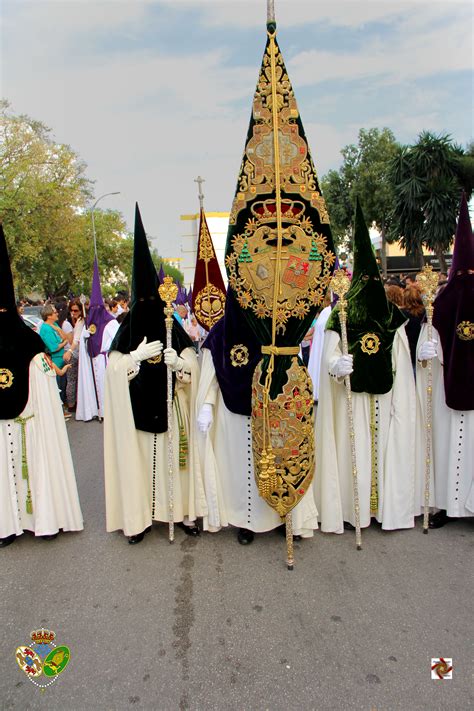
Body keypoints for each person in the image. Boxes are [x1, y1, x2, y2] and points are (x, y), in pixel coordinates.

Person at [104, 205, 207, 544]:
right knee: (142, 465)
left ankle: (181, 514)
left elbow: (193, 363)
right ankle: (142, 518)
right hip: (137, 412)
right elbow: (113, 369)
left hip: (171, 410)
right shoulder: (128, 326)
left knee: (175, 466)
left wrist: (179, 365)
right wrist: (133, 357)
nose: (148, 302)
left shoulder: (171, 323)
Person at [315, 201, 416, 533]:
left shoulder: (392, 317)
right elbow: (328, 358)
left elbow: (400, 362)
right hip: (352, 402)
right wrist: (336, 366)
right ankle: (353, 512)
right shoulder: (340, 316)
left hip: (384, 402)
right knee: (351, 452)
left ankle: (384, 509)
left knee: (384, 451)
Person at [196, 289, 319, 544]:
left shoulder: (270, 328)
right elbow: (211, 374)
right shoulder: (219, 334)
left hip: (271, 414)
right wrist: (207, 404)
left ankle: (282, 516)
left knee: (278, 466)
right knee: (242, 471)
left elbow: (290, 363)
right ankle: (245, 522)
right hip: (234, 417)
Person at [0, 224, 83, 547]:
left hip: (28, 425)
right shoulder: (32, 342)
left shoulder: (31, 346)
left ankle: (43, 519)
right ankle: (15, 523)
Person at [415, 193, 473, 528]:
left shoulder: (446, 298)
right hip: (444, 389)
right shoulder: (441, 302)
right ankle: (445, 505)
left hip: (453, 390)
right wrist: (426, 356)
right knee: (446, 447)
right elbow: (427, 341)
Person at [76, 260, 119, 421]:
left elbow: (116, 341)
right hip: (92, 359)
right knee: (95, 386)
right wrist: (85, 335)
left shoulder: (111, 322)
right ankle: (96, 410)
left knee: (105, 387)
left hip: (104, 359)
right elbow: (83, 342)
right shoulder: (89, 322)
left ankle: (107, 412)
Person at [39, 304, 70, 412]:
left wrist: (58, 329)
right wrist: (64, 342)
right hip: (55, 359)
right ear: (48, 315)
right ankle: (59, 411)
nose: (57, 313)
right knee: (57, 386)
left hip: (60, 357)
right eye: (54, 312)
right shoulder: (46, 329)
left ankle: (62, 409)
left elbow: (66, 337)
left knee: (62, 384)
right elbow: (54, 348)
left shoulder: (54, 325)